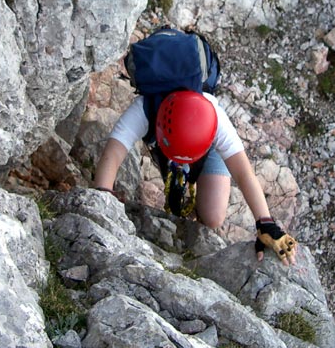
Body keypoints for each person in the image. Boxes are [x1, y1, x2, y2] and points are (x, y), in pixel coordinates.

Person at [93, 88, 298, 265]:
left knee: (213, 216)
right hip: (168, 143)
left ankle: (196, 208)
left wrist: (266, 223)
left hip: (202, 147)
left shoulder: (217, 120)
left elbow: (244, 173)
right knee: (176, 187)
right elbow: (112, 154)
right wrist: (102, 199)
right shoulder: (144, 108)